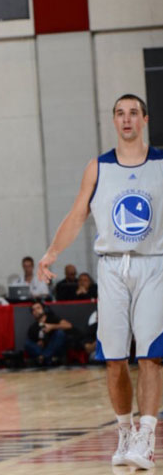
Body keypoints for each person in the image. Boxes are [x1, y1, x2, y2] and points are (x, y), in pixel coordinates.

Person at [38, 93, 163, 470]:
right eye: (120, 114)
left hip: (153, 263)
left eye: (133, 114)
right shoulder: (98, 167)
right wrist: (52, 253)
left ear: (144, 120)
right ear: (114, 121)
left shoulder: (160, 163)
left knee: (152, 355)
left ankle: (147, 435)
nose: (126, 120)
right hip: (111, 267)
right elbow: (77, 215)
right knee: (114, 360)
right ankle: (125, 431)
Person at [23, 301, 71, 367]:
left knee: (60, 334)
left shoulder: (52, 318)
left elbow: (68, 325)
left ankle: (43, 357)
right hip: (43, 349)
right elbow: (33, 344)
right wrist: (39, 342)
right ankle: (46, 358)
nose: (36, 311)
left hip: (55, 347)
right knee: (28, 343)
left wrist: (52, 326)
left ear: (44, 309)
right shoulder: (32, 327)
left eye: (38, 308)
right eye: (33, 310)